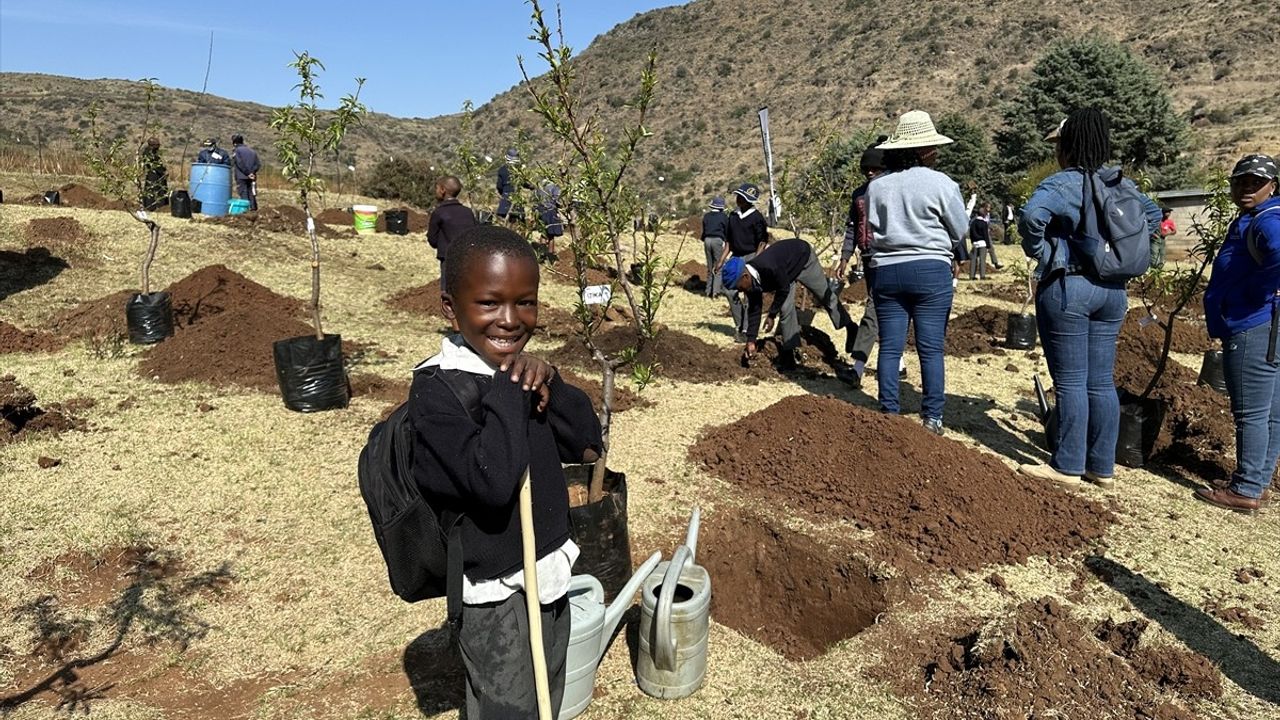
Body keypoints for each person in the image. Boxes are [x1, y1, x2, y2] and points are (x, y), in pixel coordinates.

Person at [410, 224, 602, 718]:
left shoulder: (524, 373)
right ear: (451, 308)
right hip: (495, 595)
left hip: (549, 574)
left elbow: (585, 444)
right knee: (506, 709)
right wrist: (507, 392)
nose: (510, 320)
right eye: (490, 303)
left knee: (547, 694)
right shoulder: (438, 392)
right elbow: (493, 483)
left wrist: (552, 382)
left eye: (526, 302)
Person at [1016, 108, 1161, 488]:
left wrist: (1044, 253)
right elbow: (1154, 214)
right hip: (1113, 293)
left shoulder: (1064, 183)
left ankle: (1066, 466)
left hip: (1071, 288)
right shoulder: (1120, 184)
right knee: (1100, 382)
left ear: (1067, 146)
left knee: (1071, 382)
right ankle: (1102, 467)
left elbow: (1031, 215)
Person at [866, 111, 969, 435]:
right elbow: (961, 229)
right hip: (930, 270)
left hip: (887, 270)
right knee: (930, 348)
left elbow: (872, 227)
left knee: (891, 346)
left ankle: (889, 415)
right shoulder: (942, 183)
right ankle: (932, 418)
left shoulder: (876, 186)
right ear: (925, 150)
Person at [1196, 154, 1280, 514]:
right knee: (1272, 411)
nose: (1247, 188)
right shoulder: (1256, 217)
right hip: (1269, 323)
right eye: (1241, 181)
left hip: (1253, 324)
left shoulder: (1267, 220)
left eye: (1255, 182)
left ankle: (1245, 488)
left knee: (1250, 412)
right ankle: (1256, 482)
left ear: (1273, 186)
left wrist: (1250, 294)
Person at [721, 237, 853, 371]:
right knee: (785, 308)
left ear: (745, 276)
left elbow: (783, 289)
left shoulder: (768, 267)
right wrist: (751, 340)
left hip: (803, 259)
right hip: (785, 273)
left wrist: (771, 315)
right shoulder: (750, 284)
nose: (739, 290)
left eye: (738, 287)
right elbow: (755, 309)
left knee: (825, 296)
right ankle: (789, 355)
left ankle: (850, 327)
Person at [835, 138, 888, 386]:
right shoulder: (858, 194)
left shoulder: (891, 190)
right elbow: (851, 228)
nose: (870, 172)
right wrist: (845, 257)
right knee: (884, 312)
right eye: (866, 169)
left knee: (873, 310)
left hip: (886, 258)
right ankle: (897, 364)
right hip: (867, 257)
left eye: (875, 169)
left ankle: (857, 367)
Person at [715, 183, 769, 337]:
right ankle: (739, 323)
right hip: (735, 258)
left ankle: (746, 330)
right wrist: (721, 261)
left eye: (742, 197)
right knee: (729, 290)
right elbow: (729, 242)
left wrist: (756, 261)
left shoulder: (757, 218)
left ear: (748, 200)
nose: (738, 199)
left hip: (751, 256)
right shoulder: (732, 216)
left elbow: (762, 242)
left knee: (748, 294)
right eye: (738, 196)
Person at [427, 175, 478, 292]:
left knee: (447, 288)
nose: (436, 191)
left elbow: (432, 240)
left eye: (437, 188)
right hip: (467, 257)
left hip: (447, 257)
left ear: (442, 190)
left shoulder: (439, 213)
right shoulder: (468, 212)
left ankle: (448, 308)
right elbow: (475, 233)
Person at [701, 196, 730, 298]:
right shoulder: (724, 217)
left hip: (707, 240)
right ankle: (716, 292)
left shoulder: (706, 216)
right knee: (718, 266)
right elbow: (727, 232)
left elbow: (704, 231)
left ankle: (708, 291)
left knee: (709, 267)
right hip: (717, 241)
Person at [230, 134, 261, 211]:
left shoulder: (237, 151)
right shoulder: (252, 151)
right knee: (251, 193)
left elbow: (239, 163)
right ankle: (253, 209)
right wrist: (252, 173)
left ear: (234, 143)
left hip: (241, 176)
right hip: (252, 177)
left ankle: (245, 211)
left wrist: (247, 173)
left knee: (243, 193)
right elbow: (258, 164)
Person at [535, 180, 564, 256]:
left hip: (541, 210)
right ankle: (550, 255)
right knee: (551, 235)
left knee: (543, 233)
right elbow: (558, 200)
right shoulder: (554, 186)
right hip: (551, 211)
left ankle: (542, 254)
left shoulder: (540, 185)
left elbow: (535, 198)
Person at [496, 149, 525, 223]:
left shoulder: (502, 169)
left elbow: (499, 186)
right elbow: (524, 183)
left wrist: (503, 193)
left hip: (505, 198)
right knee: (517, 222)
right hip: (517, 199)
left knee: (504, 222)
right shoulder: (519, 170)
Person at [140, 137, 168, 211]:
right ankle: (152, 206)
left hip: (158, 174)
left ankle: (160, 206)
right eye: (157, 145)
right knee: (153, 190)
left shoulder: (154, 152)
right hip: (153, 174)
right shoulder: (148, 153)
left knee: (159, 189)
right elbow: (153, 165)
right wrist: (162, 171)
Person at [969, 201, 992, 280]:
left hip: (975, 243)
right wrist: (988, 245)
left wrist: (972, 241)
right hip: (982, 243)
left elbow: (971, 233)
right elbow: (986, 235)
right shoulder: (984, 223)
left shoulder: (973, 223)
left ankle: (972, 275)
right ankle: (982, 275)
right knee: (982, 260)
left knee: (973, 260)